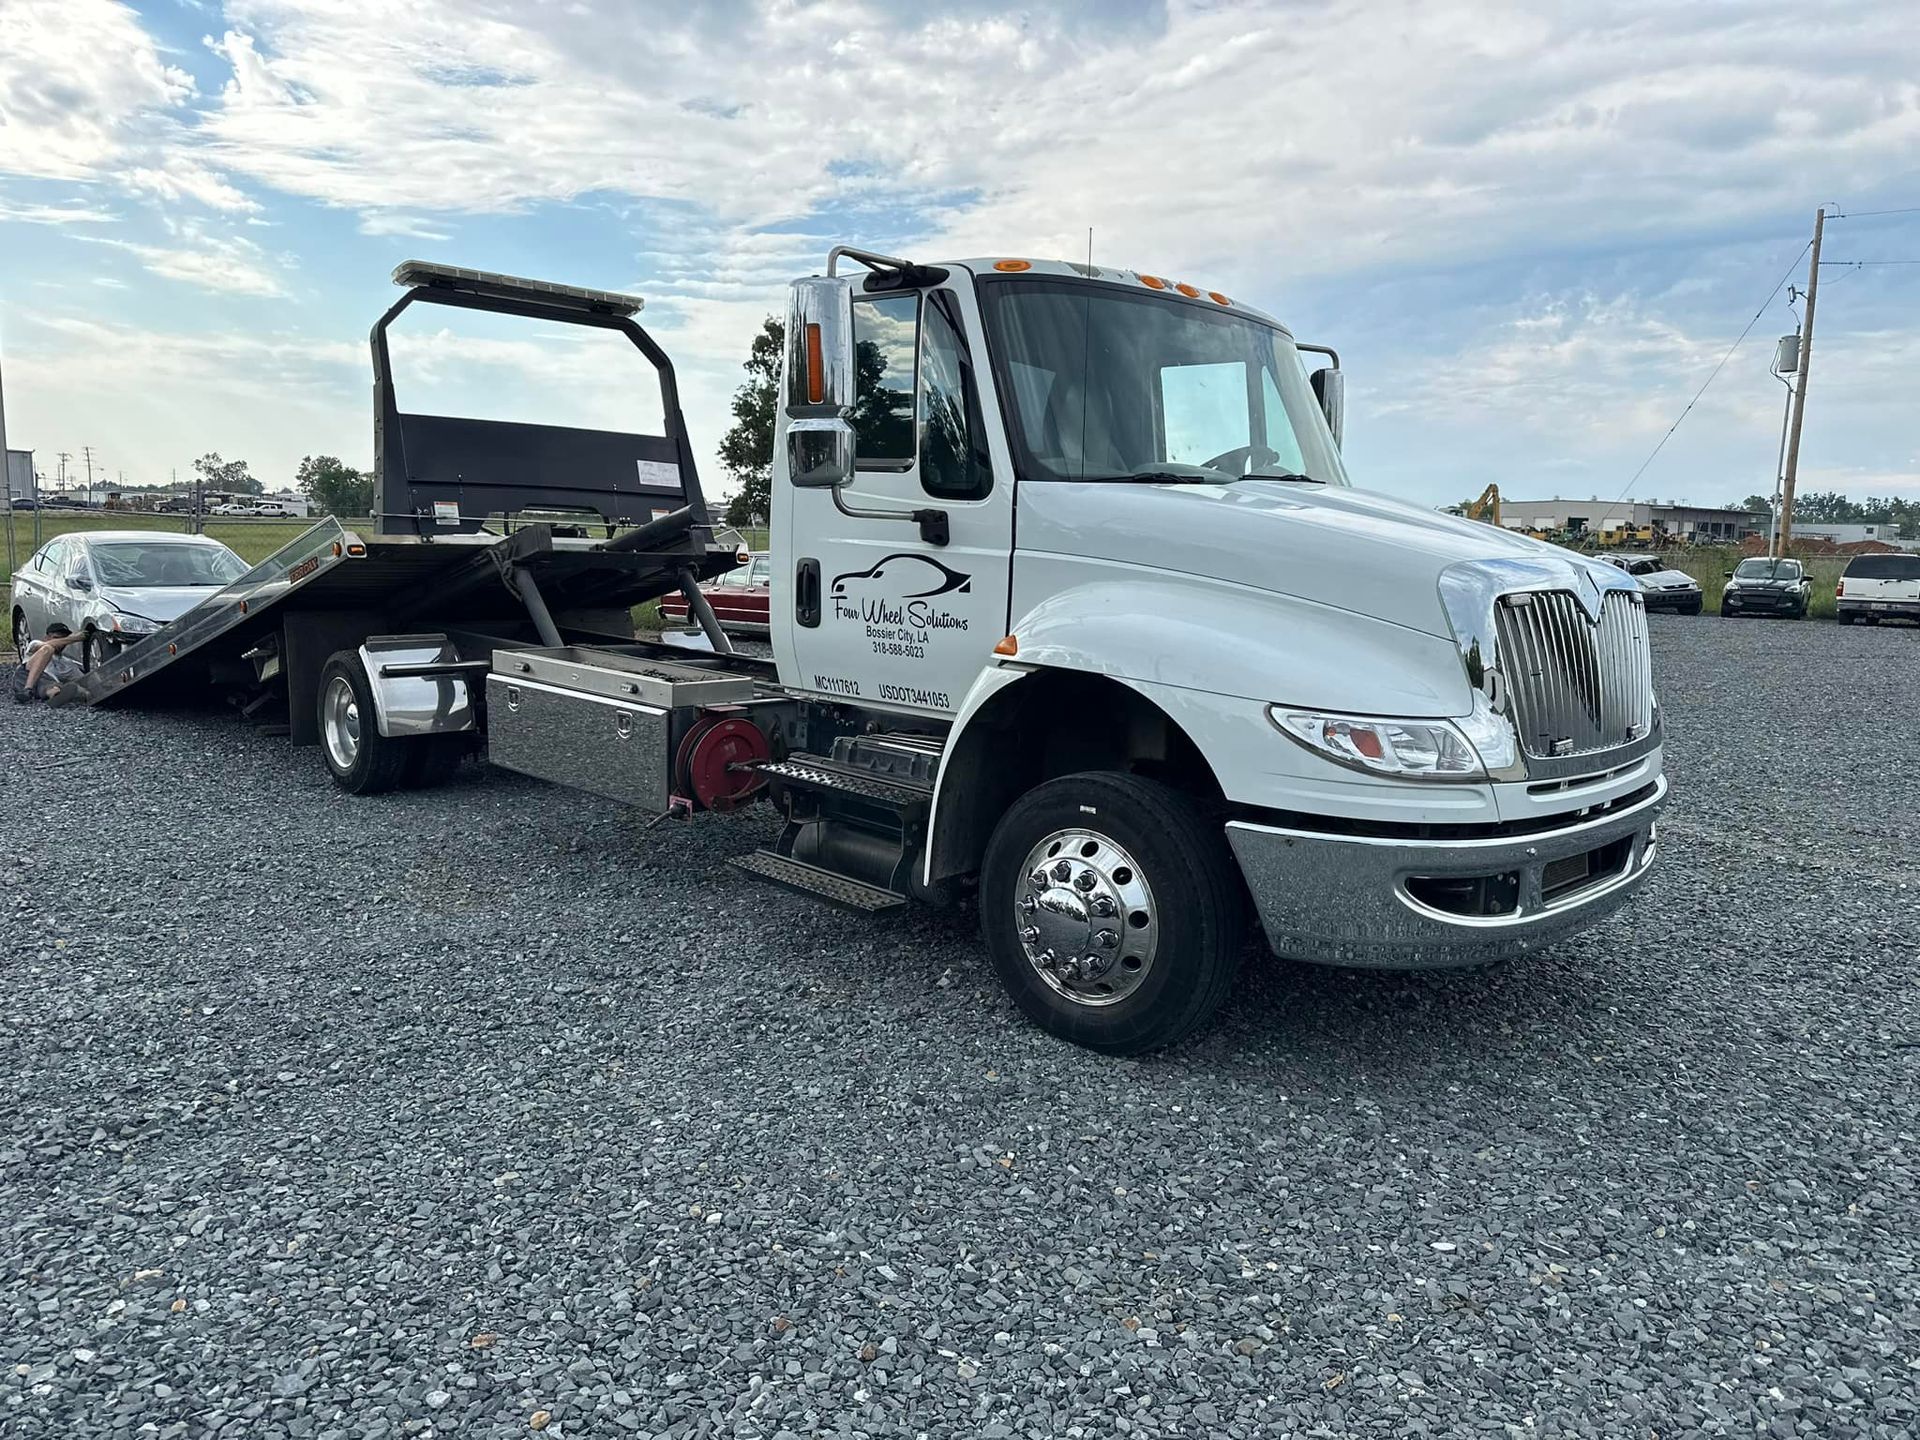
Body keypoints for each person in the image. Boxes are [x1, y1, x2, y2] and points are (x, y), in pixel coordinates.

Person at [10, 628, 85, 704]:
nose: (61, 642)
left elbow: (81, 679)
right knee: (48, 649)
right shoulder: (35, 644)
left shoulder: (67, 663)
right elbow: (47, 646)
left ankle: (54, 695)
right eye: (56, 638)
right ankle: (27, 689)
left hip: (44, 684)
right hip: (24, 676)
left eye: (63, 638)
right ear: (46, 638)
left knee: (56, 687)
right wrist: (72, 639)